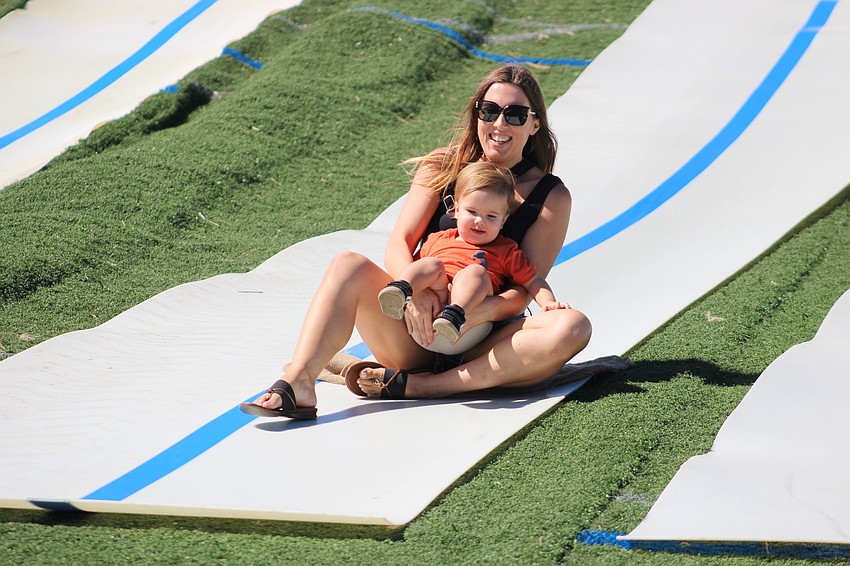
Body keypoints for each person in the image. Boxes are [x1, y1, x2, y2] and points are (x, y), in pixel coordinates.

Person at [240, 64, 591, 419]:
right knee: (347, 264)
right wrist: (416, 295)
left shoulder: (551, 197)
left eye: (515, 115)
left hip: (488, 346)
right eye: (490, 111)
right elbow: (399, 244)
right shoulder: (442, 166)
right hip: (416, 332)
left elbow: (524, 287)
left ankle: (422, 386)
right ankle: (298, 382)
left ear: (534, 124)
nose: (499, 124)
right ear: (476, 115)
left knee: (572, 326)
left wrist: (476, 312)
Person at [377, 160, 569, 348]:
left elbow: (533, 280)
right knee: (431, 264)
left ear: (503, 221)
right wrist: (419, 291)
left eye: (491, 216)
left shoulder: (506, 250)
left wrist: (549, 303)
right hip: (426, 318)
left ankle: (455, 313)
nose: (479, 221)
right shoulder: (438, 238)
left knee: (474, 273)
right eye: (472, 211)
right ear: (456, 210)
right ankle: (401, 290)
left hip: (469, 322)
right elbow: (418, 267)